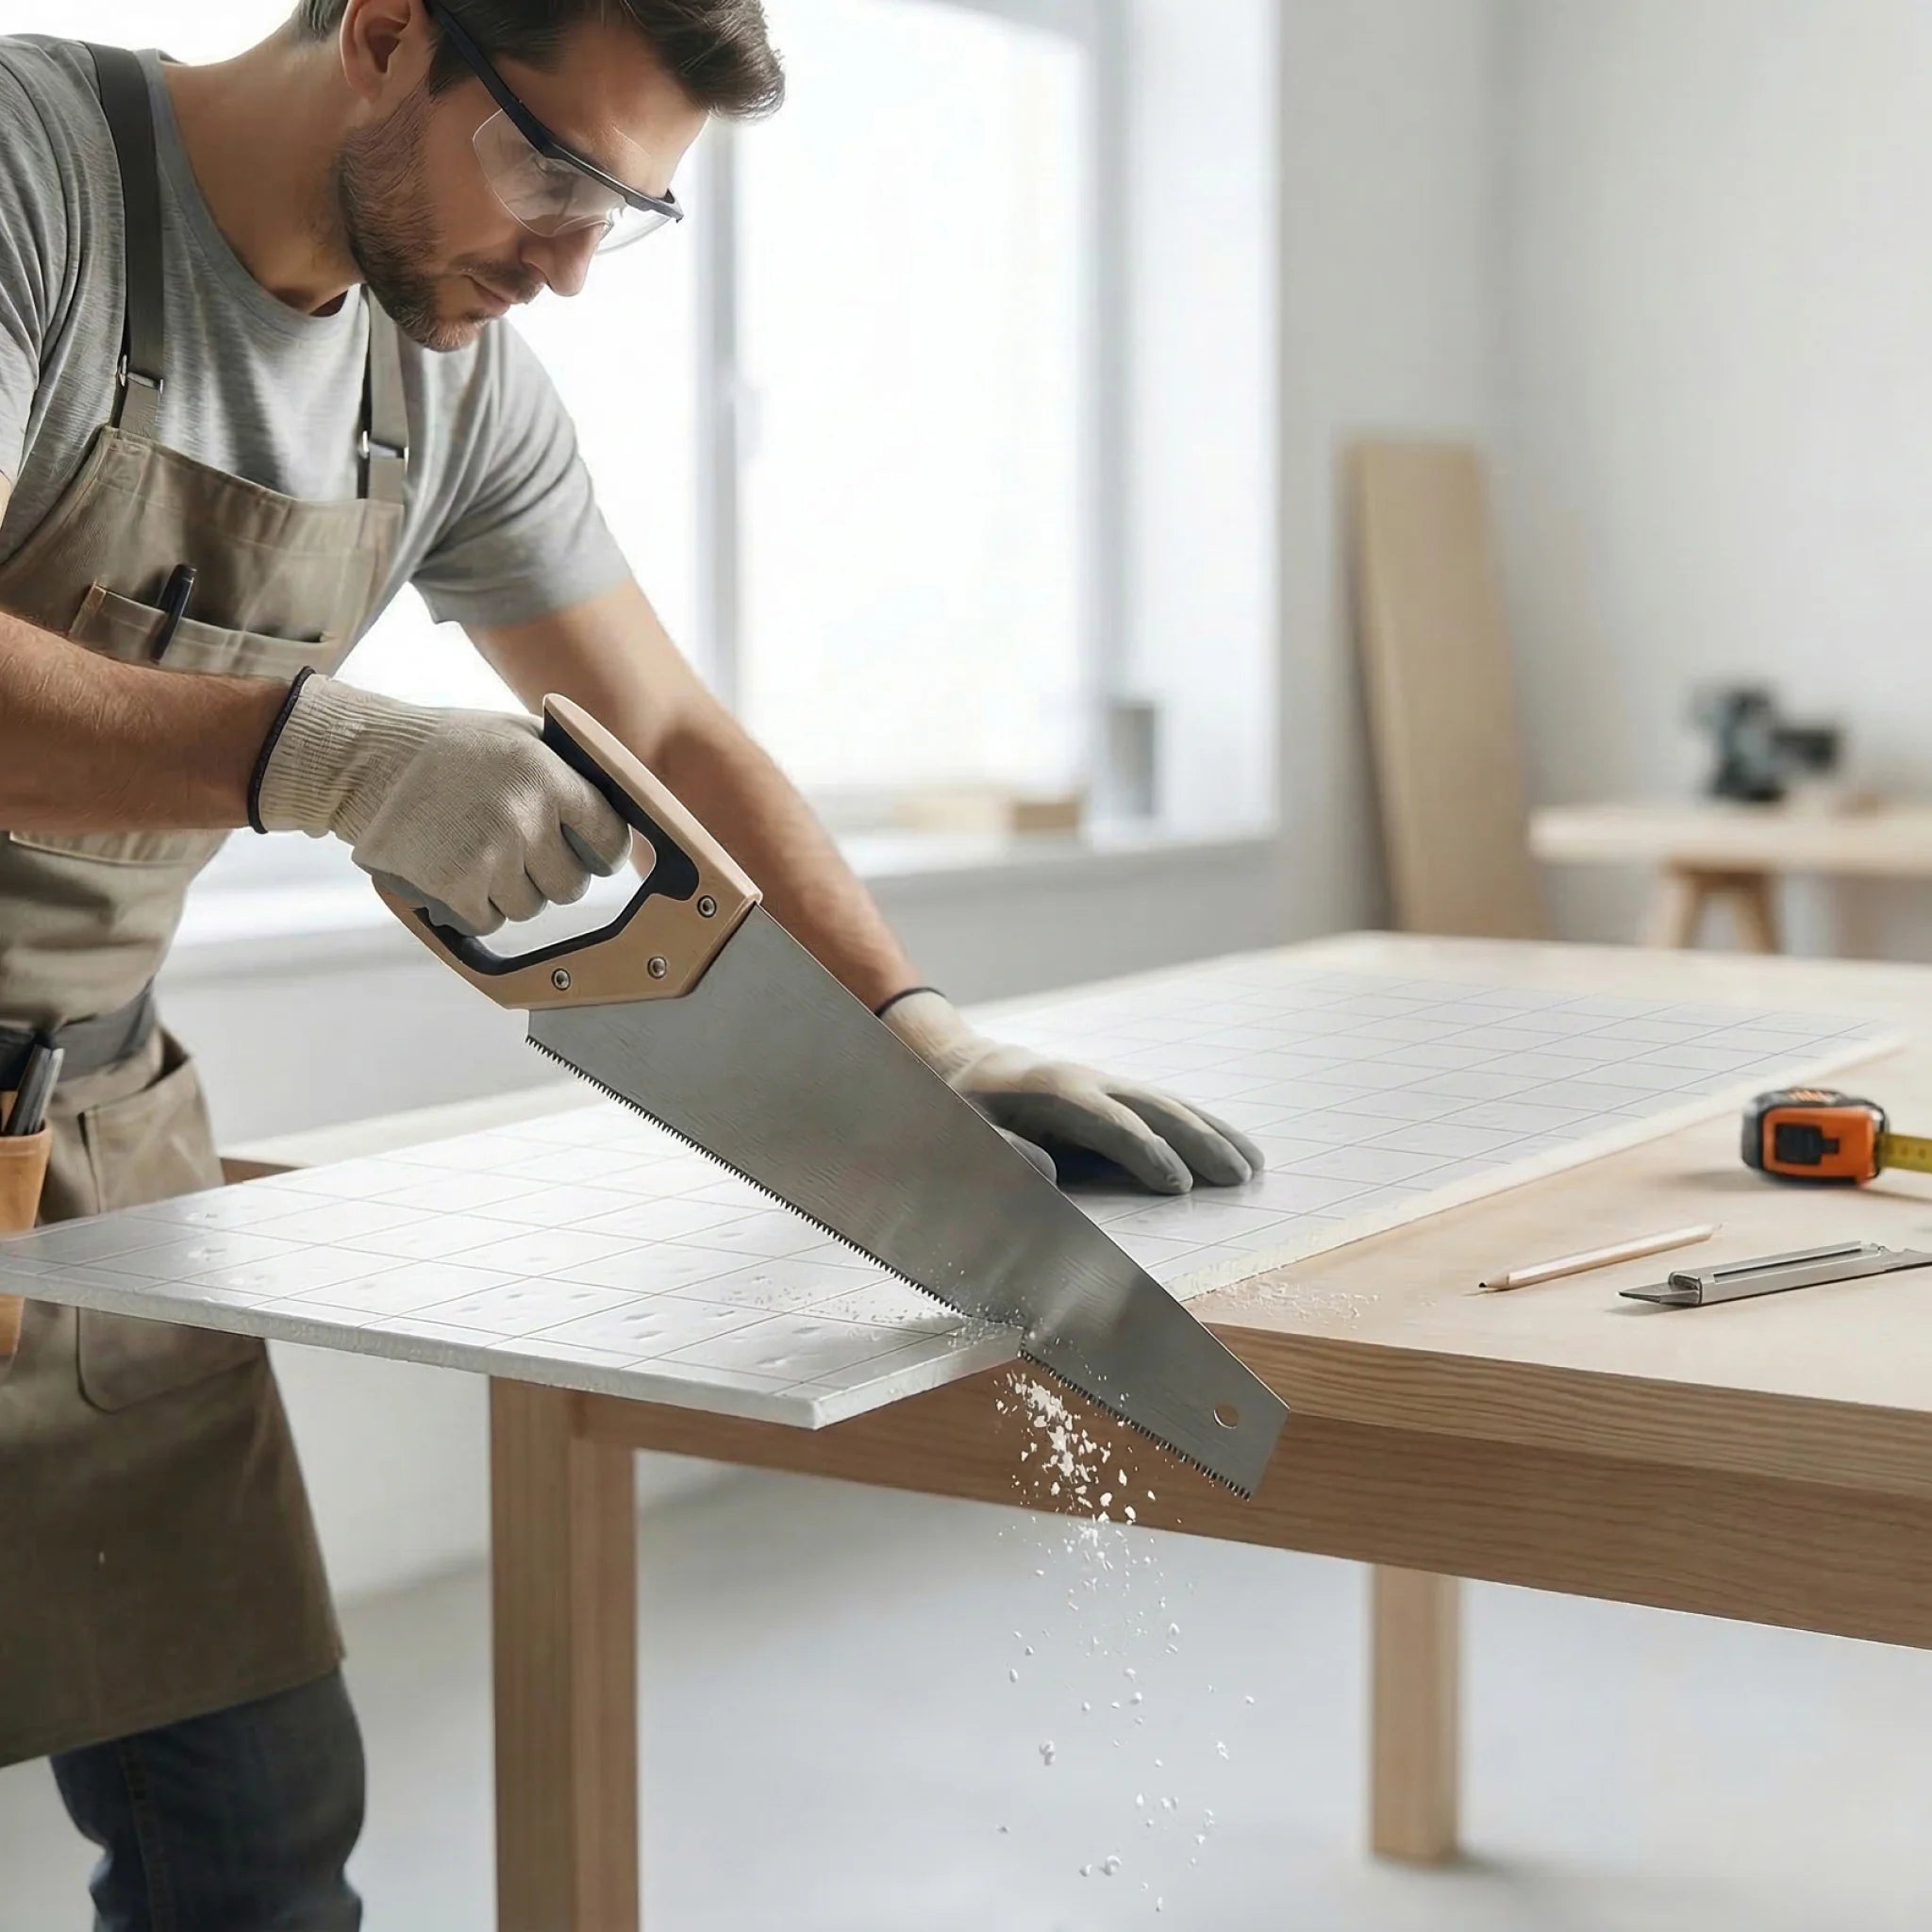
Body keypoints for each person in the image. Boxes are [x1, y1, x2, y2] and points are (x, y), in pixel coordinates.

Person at [0, 2, 1267, 1923]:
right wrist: (314, 749)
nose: (574, 267)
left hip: (82, 1128)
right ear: (387, 31)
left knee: (250, 1845)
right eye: (560, 175)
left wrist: (909, 1032)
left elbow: (662, 732)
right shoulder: (38, 174)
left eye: (633, 216)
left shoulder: (444, 380)